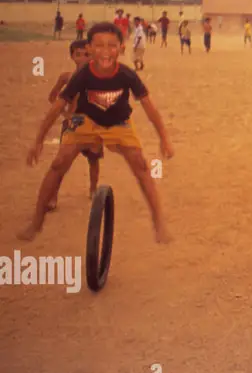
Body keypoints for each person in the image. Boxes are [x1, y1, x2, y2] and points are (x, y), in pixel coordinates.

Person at [22, 21, 173, 243]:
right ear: (90, 49)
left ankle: (159, 222)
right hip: (86, 121)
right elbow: (56, 107)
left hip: (119, 123)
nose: (105, 52)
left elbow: (150, 107)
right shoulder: (82, 76)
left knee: (141, 165)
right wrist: (38, 141)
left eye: (112, 45)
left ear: (121, 48)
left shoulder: (127, 75)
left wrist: (164, 139)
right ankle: (36, 222)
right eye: (99, 46)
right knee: (58, 163)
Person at [45, 39, 103, 209]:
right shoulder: (66, 77)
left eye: (86, 55)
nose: (83, 59)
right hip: (72, 123)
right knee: (61, 162)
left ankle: (93, 190)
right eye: (78, 55)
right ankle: (53, 196)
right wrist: (65, 113)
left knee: (93, 159)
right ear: (71, 57)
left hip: (91, 124)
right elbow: (52, 97)